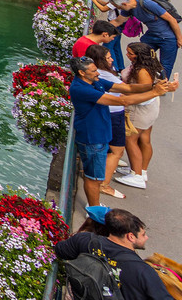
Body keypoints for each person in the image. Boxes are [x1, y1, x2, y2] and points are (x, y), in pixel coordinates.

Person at [68, 52, 174, 210]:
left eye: (96, 69)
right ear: (82, 73)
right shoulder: (81, 89)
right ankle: (94, 209)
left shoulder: (94, 80)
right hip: (92, 137)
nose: (97, 72)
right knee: (94, 178)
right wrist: (155, 93)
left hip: (100, 134)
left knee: (96, 176)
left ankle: (94, 206)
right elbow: (122, 100)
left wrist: (154, 86)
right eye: (93, 71)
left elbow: (128, 88)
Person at [118, 42, 165, 190]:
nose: (127, 55)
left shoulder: (141, 71)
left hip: (139, 109)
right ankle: (141, 170)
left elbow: (142, 91)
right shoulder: (153, 66)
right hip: (150, 108)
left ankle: (136, 175)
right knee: (144, 138)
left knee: (130, 139)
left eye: (130, 53)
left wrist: (124, 93)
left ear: (139, 55)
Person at [89, 44, 132, 202]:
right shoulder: (103, 74)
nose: (112, 59)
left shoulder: (97, 73)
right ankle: (103, 184)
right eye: (108, 57)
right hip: (113, 113)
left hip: (108, 112)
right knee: (116, 151)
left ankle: (100, 179)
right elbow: (126, 90)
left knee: (107, 149)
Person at [115, 0, 182, 80]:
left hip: (168, 38)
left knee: (165, 64)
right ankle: (139, 79)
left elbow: (172, 20)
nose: (120, 10)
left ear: (124, 4)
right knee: (139, 55)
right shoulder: (128, 9)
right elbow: (118, 21)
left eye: (119, 7)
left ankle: (162, 85)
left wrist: (179, 39)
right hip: (151, 35)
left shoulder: (147, 4)